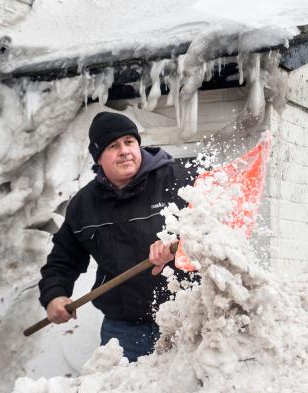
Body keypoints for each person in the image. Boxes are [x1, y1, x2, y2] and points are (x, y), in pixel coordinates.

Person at [38, 111, 194, 361]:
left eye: (129, 142)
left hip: (186, 319)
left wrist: (177, 244)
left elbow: (213, 228)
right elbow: (62, 260)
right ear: (99, 157)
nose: (124, 150)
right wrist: (54, 294)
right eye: (113, 146)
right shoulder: (84, 205)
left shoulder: (176, 179)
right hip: (125, 329)